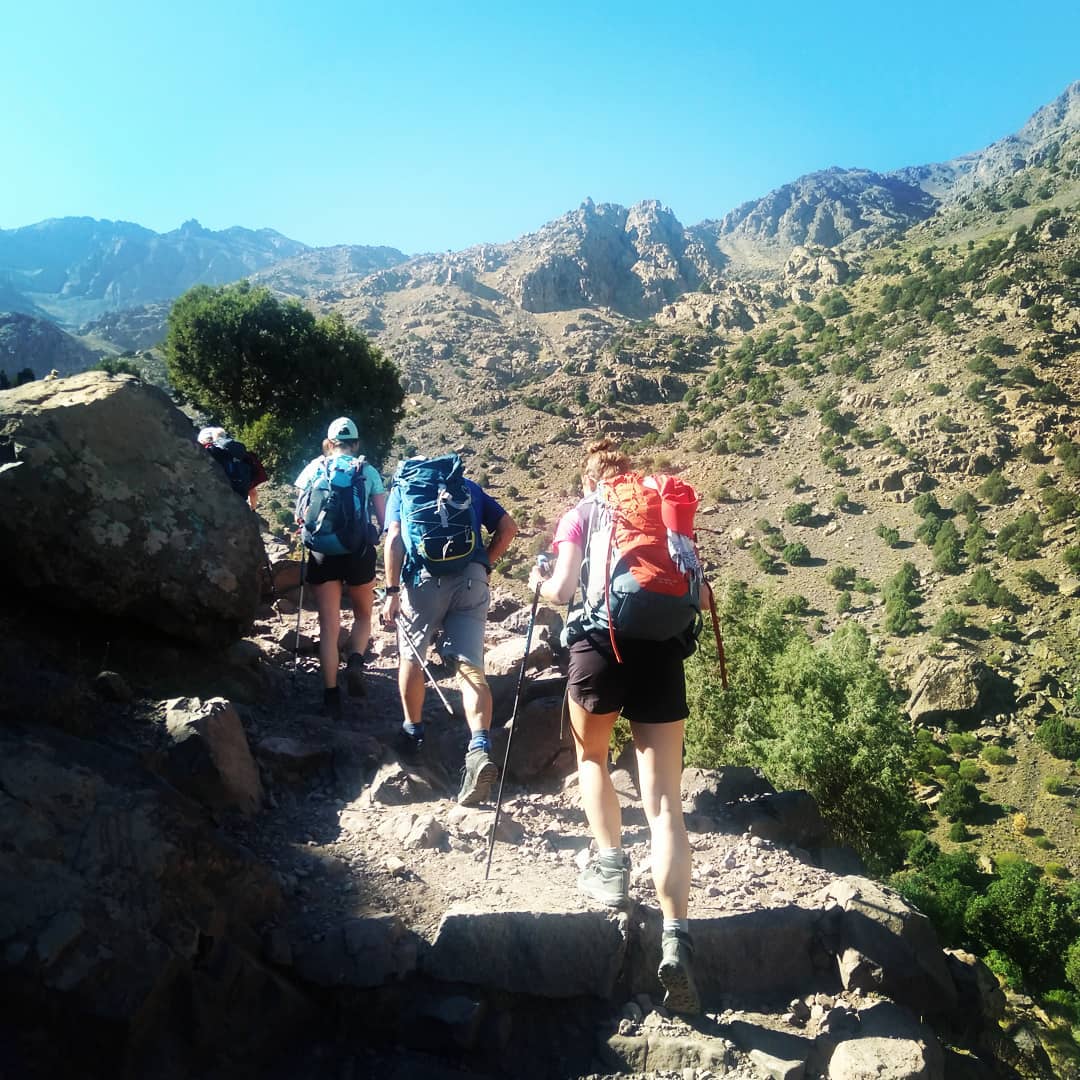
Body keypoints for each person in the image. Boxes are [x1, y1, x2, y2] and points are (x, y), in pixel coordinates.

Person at [527, 438, 701, 1015]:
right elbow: (694, 585)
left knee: (592, 759)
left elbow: (562, 590)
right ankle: (676, 934)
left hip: (599, 644)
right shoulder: (660, 505)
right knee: (665, 803)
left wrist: (540, 583)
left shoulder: (583, 512)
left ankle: (610, 869)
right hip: (663, 650)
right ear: (630, 474)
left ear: (589, 479)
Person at [380, 459, 517, 806]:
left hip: (423, 582)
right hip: (473, 578)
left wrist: (392, 592)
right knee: (471, 665)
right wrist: (485, 561)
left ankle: (414, 733)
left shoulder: (404, 488)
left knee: (412, 656)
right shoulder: (467, 487)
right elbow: (509, 528)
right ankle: (479, 746)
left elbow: (395, 538)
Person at [295, 417, 387, 720]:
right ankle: (356, 662)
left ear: (329, 442)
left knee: (328, 625)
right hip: (358, 552)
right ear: (356, 443)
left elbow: (300, 516)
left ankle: (331, 695)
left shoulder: (314, 468)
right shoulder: (367, 470)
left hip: (322, 552)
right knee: (363, 614)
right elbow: (383, 519)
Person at [197, 426, 267, 510]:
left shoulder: (209, 452)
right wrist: (252, 510)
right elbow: (253, 493)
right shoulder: (239, 456)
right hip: (237, 501)